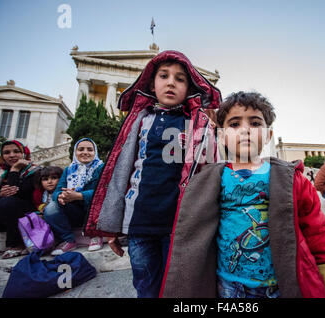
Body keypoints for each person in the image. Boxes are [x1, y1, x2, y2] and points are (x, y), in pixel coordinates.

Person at [160, 91, 325, 298]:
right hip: (227, 286)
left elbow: (316, 229)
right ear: (221, 136)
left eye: (255, 123)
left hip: (279, 285)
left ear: (268, 135)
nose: (245, 130)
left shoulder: (291, 179)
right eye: (234, 124)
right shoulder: (208, 180)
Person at [83, 50, 222, 298]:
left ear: (189, 88)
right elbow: (119, 174)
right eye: (164, 76)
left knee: (176, 287)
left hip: (178, 225)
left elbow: (209, 173)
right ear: (152, 83)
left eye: (180, 79)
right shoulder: (140, 121)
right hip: (139, 224)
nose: (171, 82)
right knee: (145, 284)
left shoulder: (196, 124)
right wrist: (112, 225)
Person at [43, 138, 104, 255]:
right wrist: (61, 196)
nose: (85, 152)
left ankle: (95, 235)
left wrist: (79, 195)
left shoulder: (102, 168)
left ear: (95, 152)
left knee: (98, 202)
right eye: (81, 149)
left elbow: (104, 191)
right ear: (75, 152)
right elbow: (56, 191)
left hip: (94, 211)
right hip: (75, 211)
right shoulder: (69, 170)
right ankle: (69, 240)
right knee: (51, 207)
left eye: (90, 149)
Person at [0, 140, 41, 259]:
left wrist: (15, 169)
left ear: (24, 153)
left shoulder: (34, 171)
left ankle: (16, 244)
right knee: (2, 202)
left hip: (29, 212)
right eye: (7, 152)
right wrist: (1, 195)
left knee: (7, 203)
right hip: (4, 213)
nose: (12, 155)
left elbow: (17, 193)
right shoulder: (0, 174)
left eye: (16, 151)